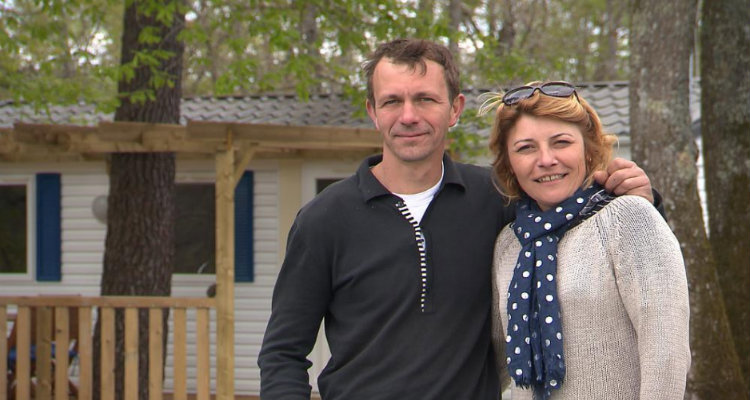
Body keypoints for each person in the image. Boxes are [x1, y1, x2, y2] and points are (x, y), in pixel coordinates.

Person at [258, 39, 660, 399]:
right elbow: (283, 352)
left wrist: (641, 196)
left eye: (425, 99)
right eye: (392, 101)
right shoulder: (324, 219)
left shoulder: (499, 199)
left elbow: (578, 213)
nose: (409, 116)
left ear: (455, 108)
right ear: (373, 112)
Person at [485, 81, 690, 399]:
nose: (546, 159)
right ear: (508, 162)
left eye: (561, 142)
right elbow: (497, 367)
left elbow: (667, 354)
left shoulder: (629, 218)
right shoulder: (509, 245)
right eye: (526, 147)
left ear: (588, 149)